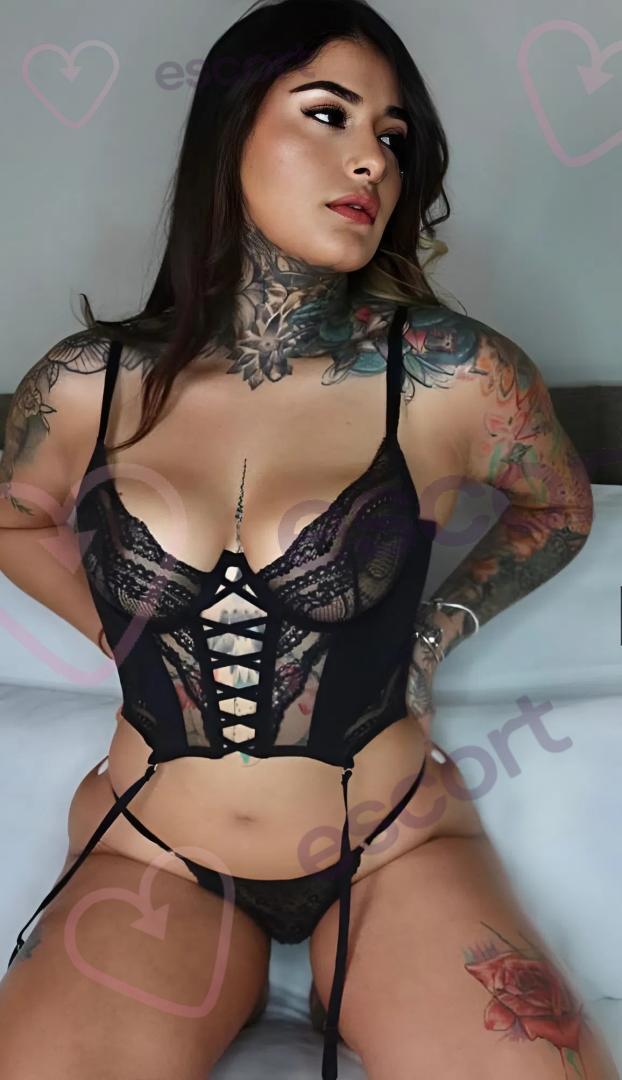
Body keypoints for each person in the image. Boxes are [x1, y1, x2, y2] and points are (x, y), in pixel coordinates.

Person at [0, 1, 618, 1078]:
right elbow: (12, 515)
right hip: (156, 849)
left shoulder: (450, 373)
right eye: (328, 114)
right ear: (229, 125)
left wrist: (436, 631)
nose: (371, 160)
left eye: (391, 136)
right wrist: (117, 631)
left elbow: (559, 506)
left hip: (390, 846)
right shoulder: (86, 383)